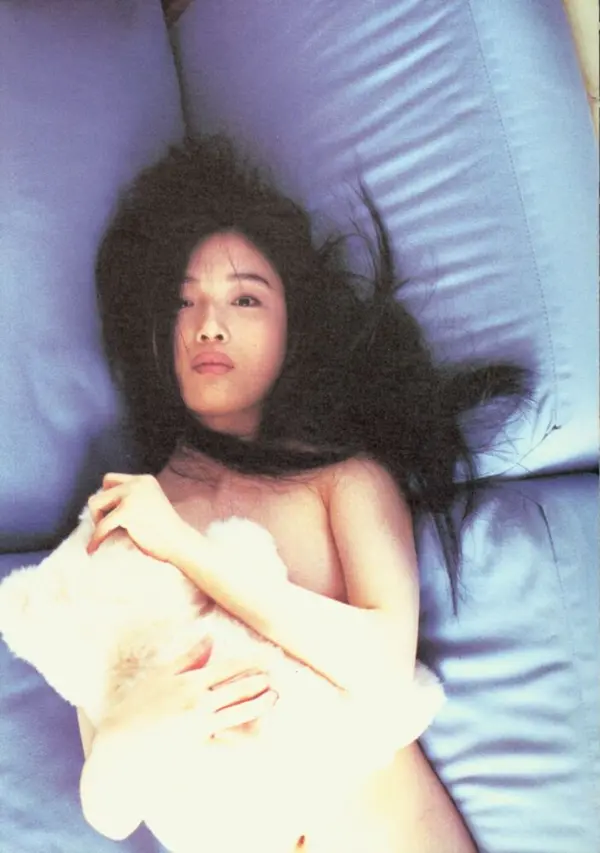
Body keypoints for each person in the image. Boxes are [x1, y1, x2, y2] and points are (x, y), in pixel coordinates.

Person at [80, 135, 532, 851]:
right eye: (183, 300)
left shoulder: (342, 480)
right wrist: (131, 734)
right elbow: (108, 811)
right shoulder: (120, 524)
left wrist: (187, 550)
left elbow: (383, 670)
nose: (209, 324)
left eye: (245, 298)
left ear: (293, 323)